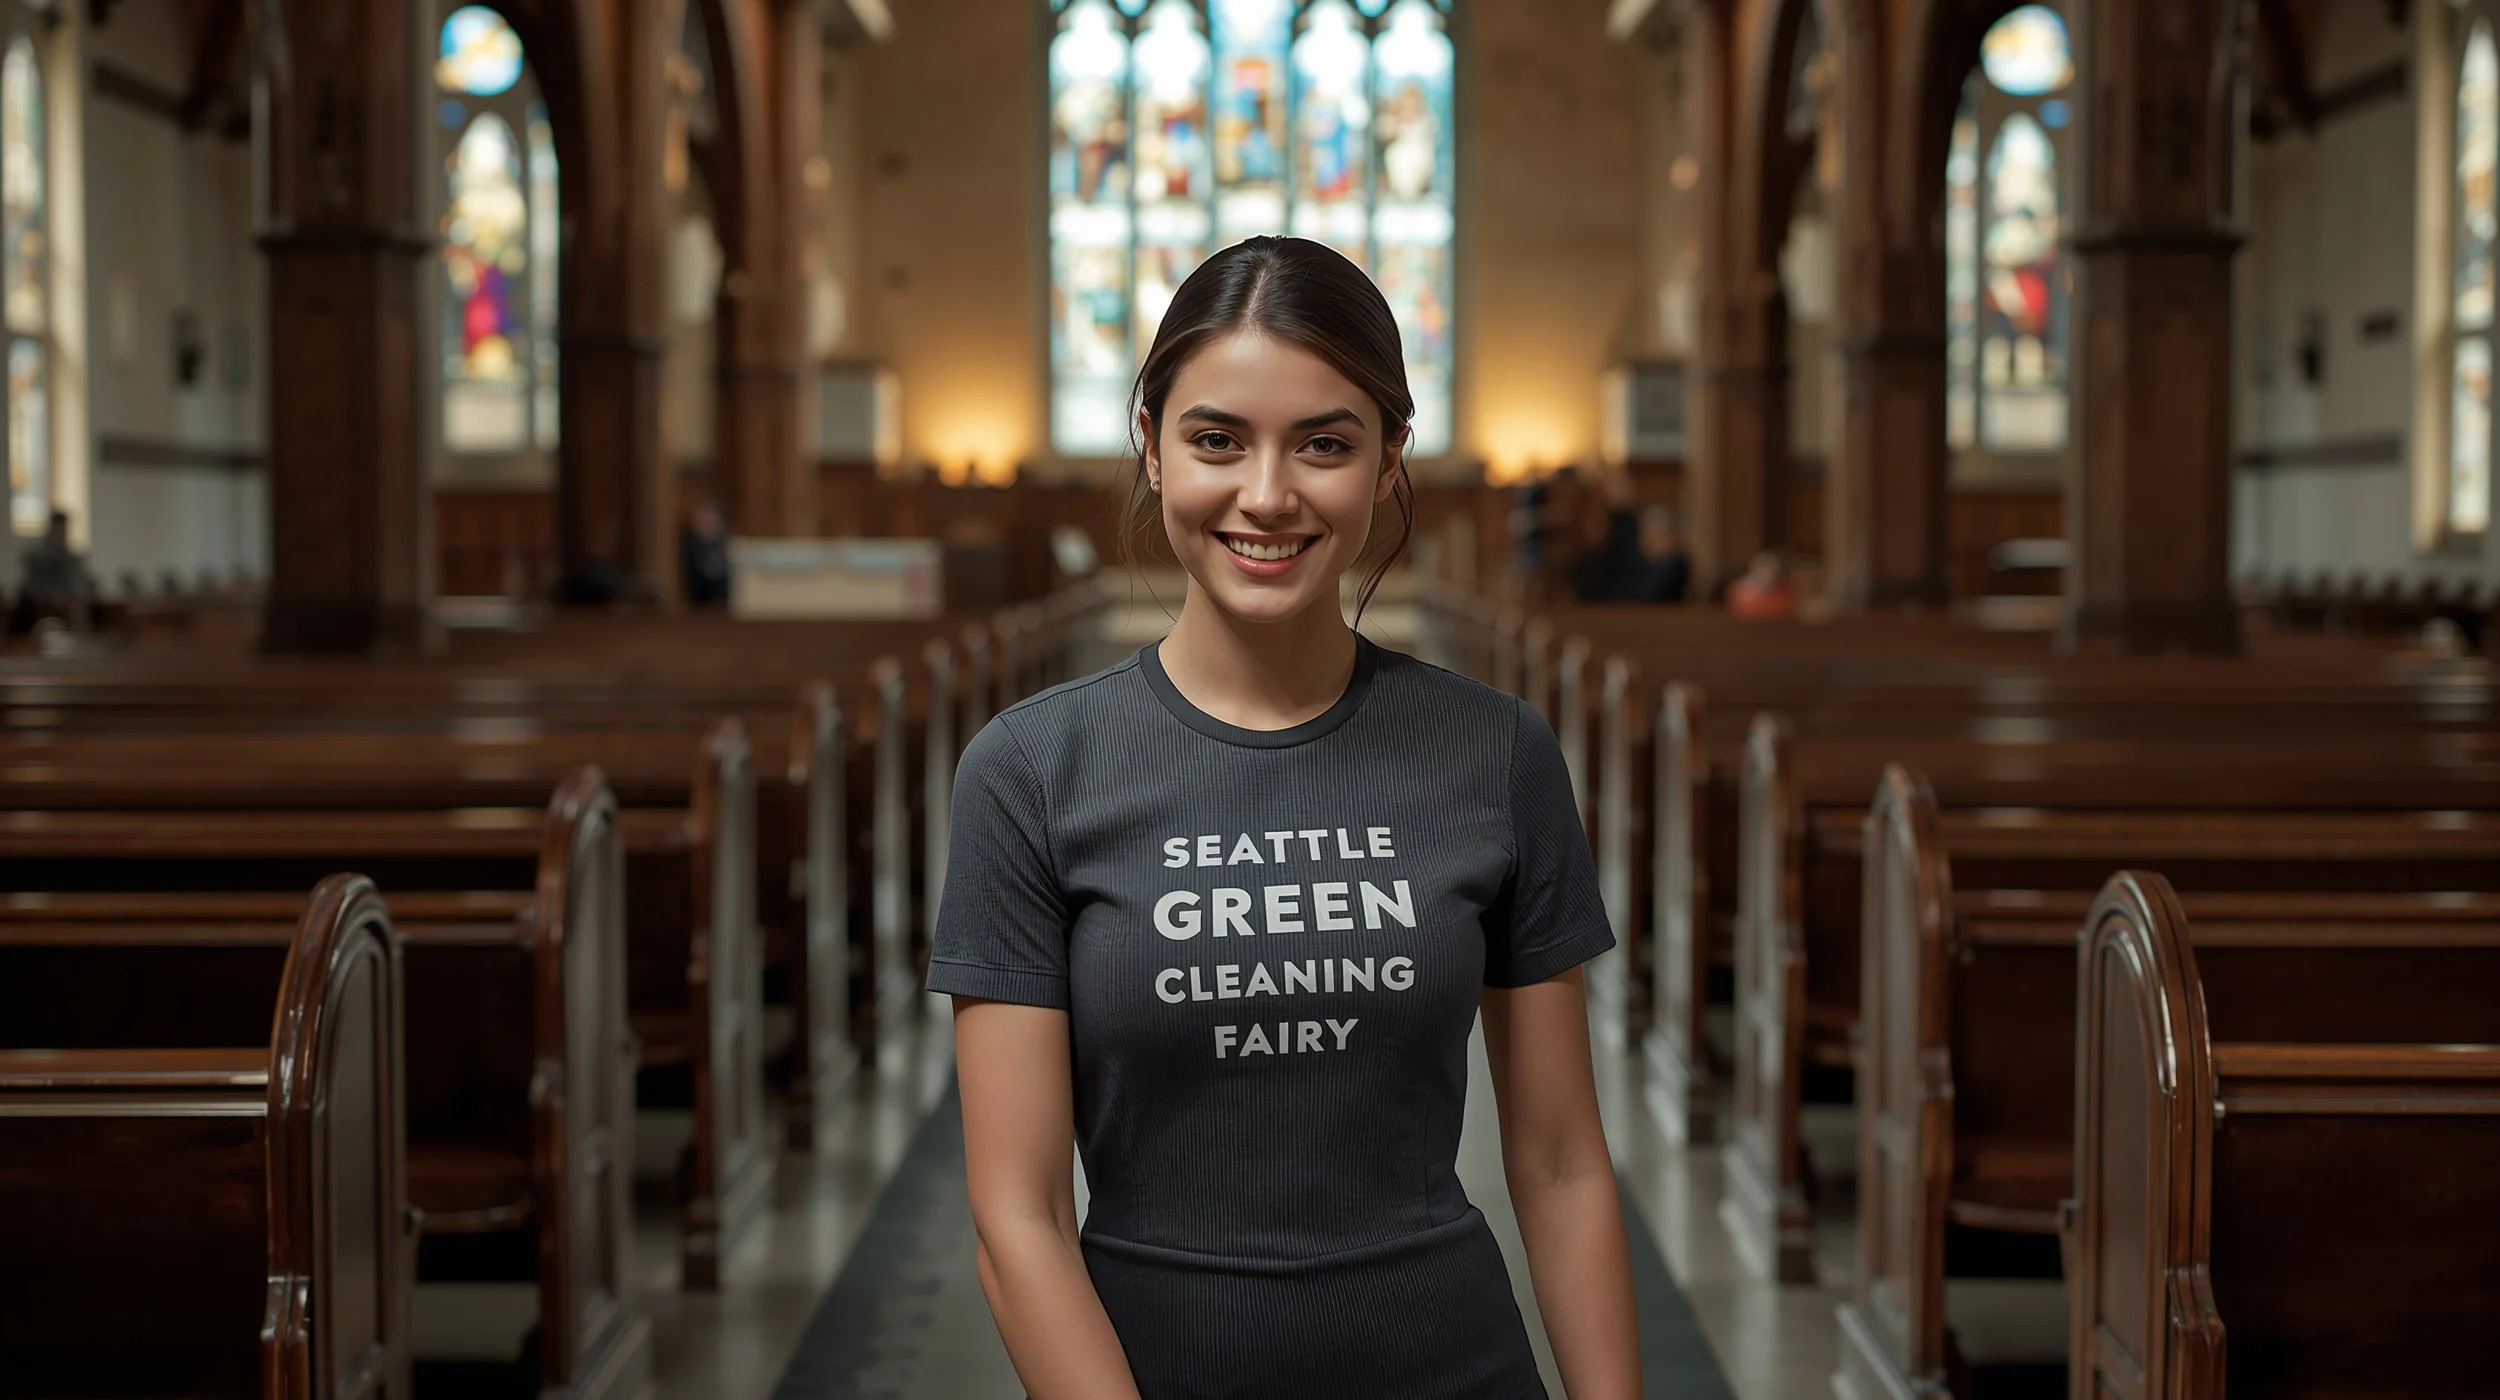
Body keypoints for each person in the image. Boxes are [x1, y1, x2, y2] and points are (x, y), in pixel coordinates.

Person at [929, 236, 1641, 1400]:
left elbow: (1559, 1164)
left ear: (1387, 460)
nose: (1268, 493)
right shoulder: (1031, 770)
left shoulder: (1495, 751)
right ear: (1150, 446)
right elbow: (1019, 1214)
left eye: (1324, 442)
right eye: (1217, 438)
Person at [9, 509, 96, 635]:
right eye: (60, 527)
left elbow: (77, 582)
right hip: (44, 605)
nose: (64, 531)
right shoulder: (39, 556)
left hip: (68, 604)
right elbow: (36, 584)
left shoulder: (70, 556)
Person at [680, 496, 733, 607]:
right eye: (702, 517)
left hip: (724, 602)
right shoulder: (689, 544)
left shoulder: (724, 542)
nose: (705, 521)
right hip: (696, 602)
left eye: (710, 517)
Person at [1725, 549, 1798, 620]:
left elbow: (1785, 612)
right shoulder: (1740, 590)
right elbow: (1739, 612)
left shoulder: (1784, 592)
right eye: (1763, 568)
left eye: (1770, 569)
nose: (1767, 574)